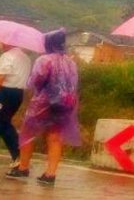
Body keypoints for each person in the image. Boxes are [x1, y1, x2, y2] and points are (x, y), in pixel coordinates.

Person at [6, 29, 80, 186]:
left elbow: (35, 81)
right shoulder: (71, 62)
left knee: (27, 133)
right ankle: (50, 174)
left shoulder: (44, 60)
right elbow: (73, 84)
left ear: (48, 43)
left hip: (44, 102)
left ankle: (23, 167)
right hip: (65, 104)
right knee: (55, 137)